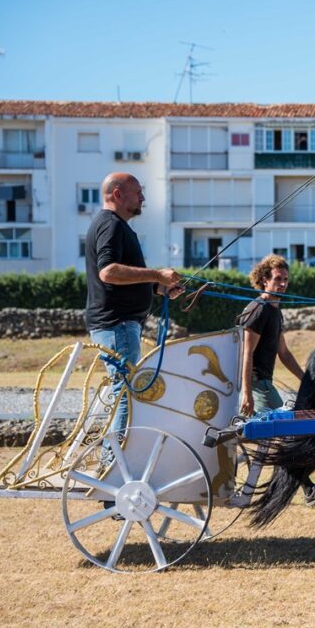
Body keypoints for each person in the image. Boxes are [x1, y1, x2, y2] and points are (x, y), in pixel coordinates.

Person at [239, 254, 315, 506]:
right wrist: (247, 392)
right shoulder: (258, 310)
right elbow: (246, 353)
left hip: (264, 383)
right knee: (283, 435)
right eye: (277, 279)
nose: (283, 284)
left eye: (285, 279)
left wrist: (308, 381)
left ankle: (306, 489)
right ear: (264, 280)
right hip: (255, 383)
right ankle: (308, 489)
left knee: (288, 433)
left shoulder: (275, 311)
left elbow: (283, 353)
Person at [85, 173, 182, 437]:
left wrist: (159, 288)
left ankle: (113, 456)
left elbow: (121, 278)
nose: (143, 198)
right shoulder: (111, 225)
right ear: (117, 194)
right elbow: (108, 272)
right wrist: (156, 275)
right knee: (127, 392)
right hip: (118, 324)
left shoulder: (116, 226)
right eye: (137, 192)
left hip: (119, 324)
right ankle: (113, 460)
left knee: (125, 391)